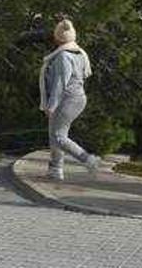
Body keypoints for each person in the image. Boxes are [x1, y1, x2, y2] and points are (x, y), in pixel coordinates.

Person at [39, 19, 101, 181]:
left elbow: (60, 83)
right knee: (55, 135)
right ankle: (55, 169)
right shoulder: (79, 52)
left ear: (58, 38)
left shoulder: (63, 56)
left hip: (67, 100)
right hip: (76, 98)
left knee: (59, 136)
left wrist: (51, 106)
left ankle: (88, 159)